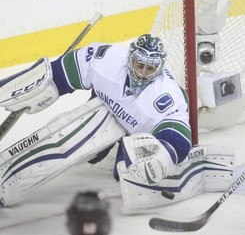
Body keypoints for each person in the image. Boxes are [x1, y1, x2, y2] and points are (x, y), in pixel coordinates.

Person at [0, 34, 192, 206]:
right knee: (69, 137)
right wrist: (44, 84)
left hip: (137, 135)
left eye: (149, 68)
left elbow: (179, 139)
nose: (142, 73)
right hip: (104, 110)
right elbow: (61, 72)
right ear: (130, 59)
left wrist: (162, 158)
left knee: (126, 172)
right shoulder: (106, 59)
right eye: (139, 65)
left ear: (158, 69)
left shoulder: (167, 97)